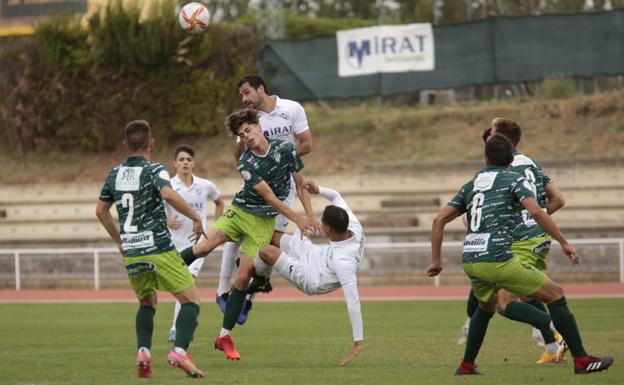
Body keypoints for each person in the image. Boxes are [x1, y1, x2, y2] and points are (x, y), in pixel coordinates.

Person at [427, 135, 613, 375]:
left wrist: (436, 260)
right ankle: (582, 360)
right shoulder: (514, 179)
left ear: (485, 158)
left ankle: (466, 365)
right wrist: (564, 242)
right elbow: (536, 211)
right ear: (511, 159)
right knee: (556, 294)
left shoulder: (471, 184)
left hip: (472, 259)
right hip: (497, 259)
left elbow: (439, 219)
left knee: (487, 306)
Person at [177, 108, 320, 361]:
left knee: (243, 278)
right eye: (242, 134)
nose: (247, 136)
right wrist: (296, 218)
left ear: (259, 127)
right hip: (239, 211)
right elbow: (268, 196)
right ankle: (166, 269)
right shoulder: (245, 163)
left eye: (249, 130)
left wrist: (309, 215)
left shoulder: (286, 150)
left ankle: (224, 336)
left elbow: (299, 183)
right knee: (203, 247)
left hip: (263, 222)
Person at [95, 120, 205, 378]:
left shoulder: (113, 173)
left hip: (132, 251)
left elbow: (101, 211)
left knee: (147, 302)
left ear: (125, 144)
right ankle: (179, 351)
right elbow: (168, 194)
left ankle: (143, 351)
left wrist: (121, 242)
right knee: (191, 301)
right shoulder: (156, 169)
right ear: (151, 143)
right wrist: (196, 217)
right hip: (158, 247)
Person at [457, 121, 568, 365]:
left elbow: (463, 216)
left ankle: (557, 333)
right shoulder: (531, 163)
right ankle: (550, 344)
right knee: (527, 294)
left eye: (492, 136)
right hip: (534, 237)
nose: (488, 140)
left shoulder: (503, 171)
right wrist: (534, 219)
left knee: (505, 302)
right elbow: (558, 199)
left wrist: (519, 221)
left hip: (519, 242)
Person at [215, 74, 313, 325]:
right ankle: (222, 290)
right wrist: (242, 143)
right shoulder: (249, 123)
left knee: (271, 242)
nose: (244, 99)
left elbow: (306, 144)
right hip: (257, 181)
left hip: (284, 184)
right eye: (242, 95)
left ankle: (248, 296)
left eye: (247, 93)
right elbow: (238, 156)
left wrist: (277, 155)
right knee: (236, 229)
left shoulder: (291, 109)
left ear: (261, 89)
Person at [254, 180, 364, 366]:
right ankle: (256, 276)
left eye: (322, 223)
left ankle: (258, 281)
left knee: (266, 252)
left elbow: (353, 300)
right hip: (318, 255)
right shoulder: (354, 226)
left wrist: (357, 342)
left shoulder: (344, 262)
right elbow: (336, 195)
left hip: (312, 277)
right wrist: (318, 190)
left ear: (328, 229)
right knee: (271, 235)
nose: (319, 224)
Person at [165, 145, 225, 342]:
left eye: (188, 159)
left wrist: (217, 225)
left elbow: (219, 202)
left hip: (197, 246)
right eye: (181, 159)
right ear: (175, 163)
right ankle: (188, 319)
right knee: (182, 287)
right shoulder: (168, 186)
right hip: (173, 245)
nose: (185, 162)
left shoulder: (205, 186)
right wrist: (165, 222)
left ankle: (176, 328)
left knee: (186, 281)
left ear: (193, 163)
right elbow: (155, 209)